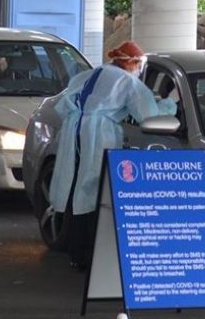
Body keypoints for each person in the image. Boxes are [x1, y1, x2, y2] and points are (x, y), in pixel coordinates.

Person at [48, 40, 179, 269]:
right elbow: (148, 116)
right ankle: (87, 256)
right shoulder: (128, 81)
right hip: (98, 134)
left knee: (75, 190)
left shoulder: (94, 72)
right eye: (138, 65)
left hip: (74, 129)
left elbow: (64, 100)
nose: (139, 70)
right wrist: (170, 102)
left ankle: (75, 252)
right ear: (132, 63)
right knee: (92, 192)